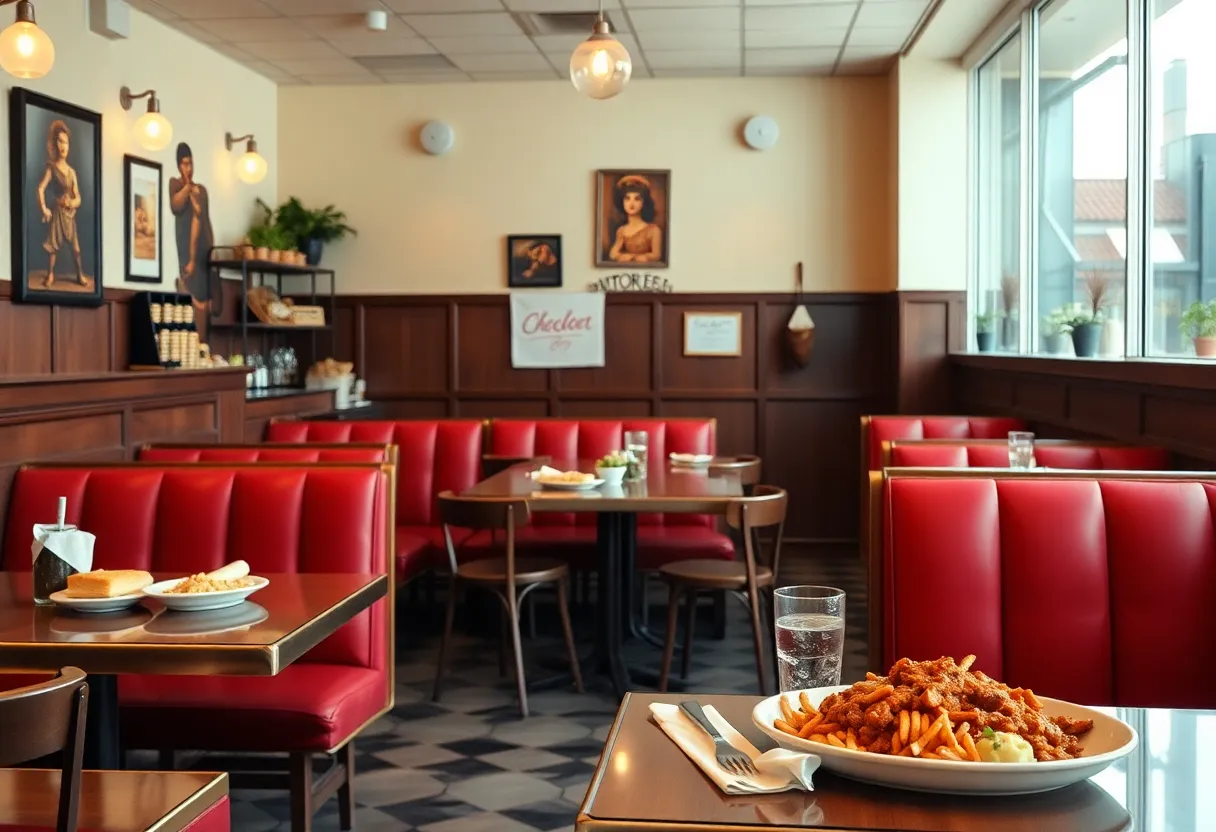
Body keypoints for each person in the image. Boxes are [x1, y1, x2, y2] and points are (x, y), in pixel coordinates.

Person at [36, 119, 89, 288]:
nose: (63, 145)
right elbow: (40, 188)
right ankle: (50, 275)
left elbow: (78, 197)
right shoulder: (51, 168)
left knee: (76, 249)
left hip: (69, 214)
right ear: (55, 143)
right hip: (57, 212)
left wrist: (73, 202)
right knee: (53, 248)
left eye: (65, 142)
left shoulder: (72, 172)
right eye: (59, 141)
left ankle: (80, 274)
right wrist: (44, 208)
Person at [169, 142, 217, 316]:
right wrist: (188, 187)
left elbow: (199, 220)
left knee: (204, 296)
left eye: (191, 163)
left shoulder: (201, 191)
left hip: (203, 249)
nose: (188, 168)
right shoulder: (175, 184)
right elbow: (176, 205)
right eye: (184, 164)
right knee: (187, 290)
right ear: (178, 165)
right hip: (184, 247)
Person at [608, 174, 663, 263]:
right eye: (627, 199)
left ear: (644, 202)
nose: (631, 203)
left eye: (637, 199)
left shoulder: (654, 230)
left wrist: (642, 257)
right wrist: (621, 256)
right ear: (622, 202)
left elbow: (657, 255)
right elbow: (612, 254)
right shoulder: (621, 231)